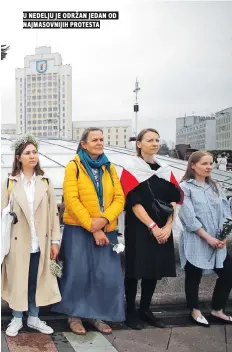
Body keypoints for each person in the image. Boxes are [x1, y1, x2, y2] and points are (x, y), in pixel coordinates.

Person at [52, 127, 125, 335]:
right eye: (94, 139)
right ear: (84, 144)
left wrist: (103, 221)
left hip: (106, 229)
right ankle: (74, 316)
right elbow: (72, 200)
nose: (99, 142)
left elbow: (119, 198)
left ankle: (96, 315)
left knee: (104, 274)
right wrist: (93, 227)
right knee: (78, 273)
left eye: (102, 139)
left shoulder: (108, 167)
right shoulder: (73, 166)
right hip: (79, 230)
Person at [1, 135, 61, 337]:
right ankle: (17, 318)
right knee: (19, 281)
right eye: (27, 153)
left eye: (34, 152)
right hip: (16, 243)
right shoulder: (9, 183)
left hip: (40, 241)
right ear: (18, 157)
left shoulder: (45, 182)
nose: (32, 156)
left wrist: (54, 241)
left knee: (36, 281)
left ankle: (34, 317)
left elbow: (54, 213)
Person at [122, 128, 182, 330]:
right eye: (150, 140)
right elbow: (133, 201)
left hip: (163, 227)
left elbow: (175, 198)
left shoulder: (164, 168)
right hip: (140, 228)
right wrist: (153, 226)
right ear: (139, 144)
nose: (155, 143)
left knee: (153, 271)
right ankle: (130, 311)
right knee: (134, 271)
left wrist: (168, 226)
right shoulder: (131, 168)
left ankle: (145, 309)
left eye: (157, 139)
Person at [179, 151, 232, 326]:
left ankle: (217, 309)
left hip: (218, 240)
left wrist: (224, 236)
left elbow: (225, 212)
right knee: (193, 276)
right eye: (205, 163)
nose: (209, 167)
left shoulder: (216, 187)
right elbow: (189, 217)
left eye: (211, 163)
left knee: (228, 274)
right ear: (193, 165)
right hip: (197, 239)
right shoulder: (185, 188)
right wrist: (208, 238)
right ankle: (194, 310)